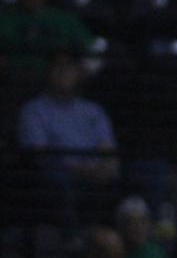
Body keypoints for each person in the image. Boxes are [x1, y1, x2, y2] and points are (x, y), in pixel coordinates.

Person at [17, 52, 120, 226]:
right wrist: (82, 170)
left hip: (96, 176)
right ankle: (72, 241)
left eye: (69, 67)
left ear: (79, 73)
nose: (64, 72)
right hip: (59, 178)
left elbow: (109, 151)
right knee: (58, 179)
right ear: (48, 72)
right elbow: (40, 155)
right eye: (58, 67)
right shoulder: (34, 110)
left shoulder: (93, 111)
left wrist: (107, 169)